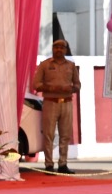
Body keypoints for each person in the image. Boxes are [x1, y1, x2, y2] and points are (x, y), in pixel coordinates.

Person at [31, 39, 79, 173]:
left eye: (62, 47)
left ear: (65, 50)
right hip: (50, 103)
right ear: (52, 49)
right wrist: (52, 87)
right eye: (56, 47)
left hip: (67, 103)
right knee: (48, 134)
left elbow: (78, 85)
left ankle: (63, 164)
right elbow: (36, 84)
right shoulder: (45, 65)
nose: (59, 50)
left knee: (65, 135)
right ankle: (49, 165)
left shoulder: (71, 66)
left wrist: (71, 88)